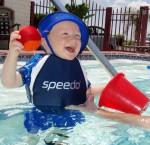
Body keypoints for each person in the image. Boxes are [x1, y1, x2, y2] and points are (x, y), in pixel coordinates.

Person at [1, 11, 150, 138]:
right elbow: (9, 82)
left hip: (73, 117)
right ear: (44, 41)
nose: (73, 39)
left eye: (78, 36)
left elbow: (84, 91)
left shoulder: (77, 67)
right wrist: (13, 55)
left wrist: (108, 89)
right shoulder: (37, 64)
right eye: (65, 33)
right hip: (39, 117)